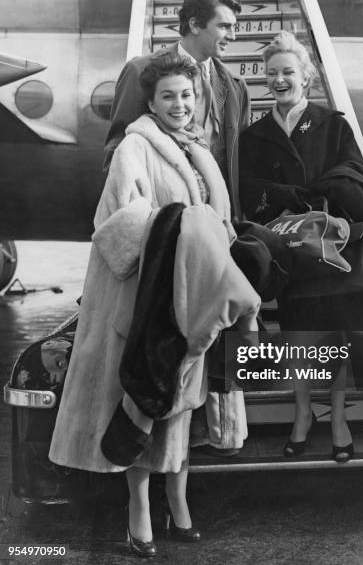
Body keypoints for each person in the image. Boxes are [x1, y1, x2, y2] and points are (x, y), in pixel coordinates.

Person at [49, 52, 258, 557]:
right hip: (148, 298)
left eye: (187, 95)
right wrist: (186, 229)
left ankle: (179, 504)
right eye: (168, 95)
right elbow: (118, 223)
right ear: (151, 100)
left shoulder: (198, 150)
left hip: (192, 297)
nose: (179, 104)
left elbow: (217, 220)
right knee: (147, 397)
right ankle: (139, 512)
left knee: (182, 403)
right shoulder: (134, 148)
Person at [239, 30, 363, 462]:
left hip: (330, 245)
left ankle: (337, 416)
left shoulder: (332, 124)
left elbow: (354, 174)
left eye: (288, 71)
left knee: (337, 335)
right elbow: (250, 190)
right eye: (272, 73)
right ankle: (303, 412)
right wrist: (290, 198)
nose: (280, 80)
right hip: (290, 250)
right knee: (300, 335)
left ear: (306, 76)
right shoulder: (255, 135)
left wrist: (314, 195)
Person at [105, 0, 250, 218]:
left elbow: (237, 163)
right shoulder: (140, 71)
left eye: (234, 27)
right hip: (160, 223)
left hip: (218, 222)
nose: (232, 36)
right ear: (194, 24)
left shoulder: (235, 87)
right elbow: (117, 155)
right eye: (224, 26)